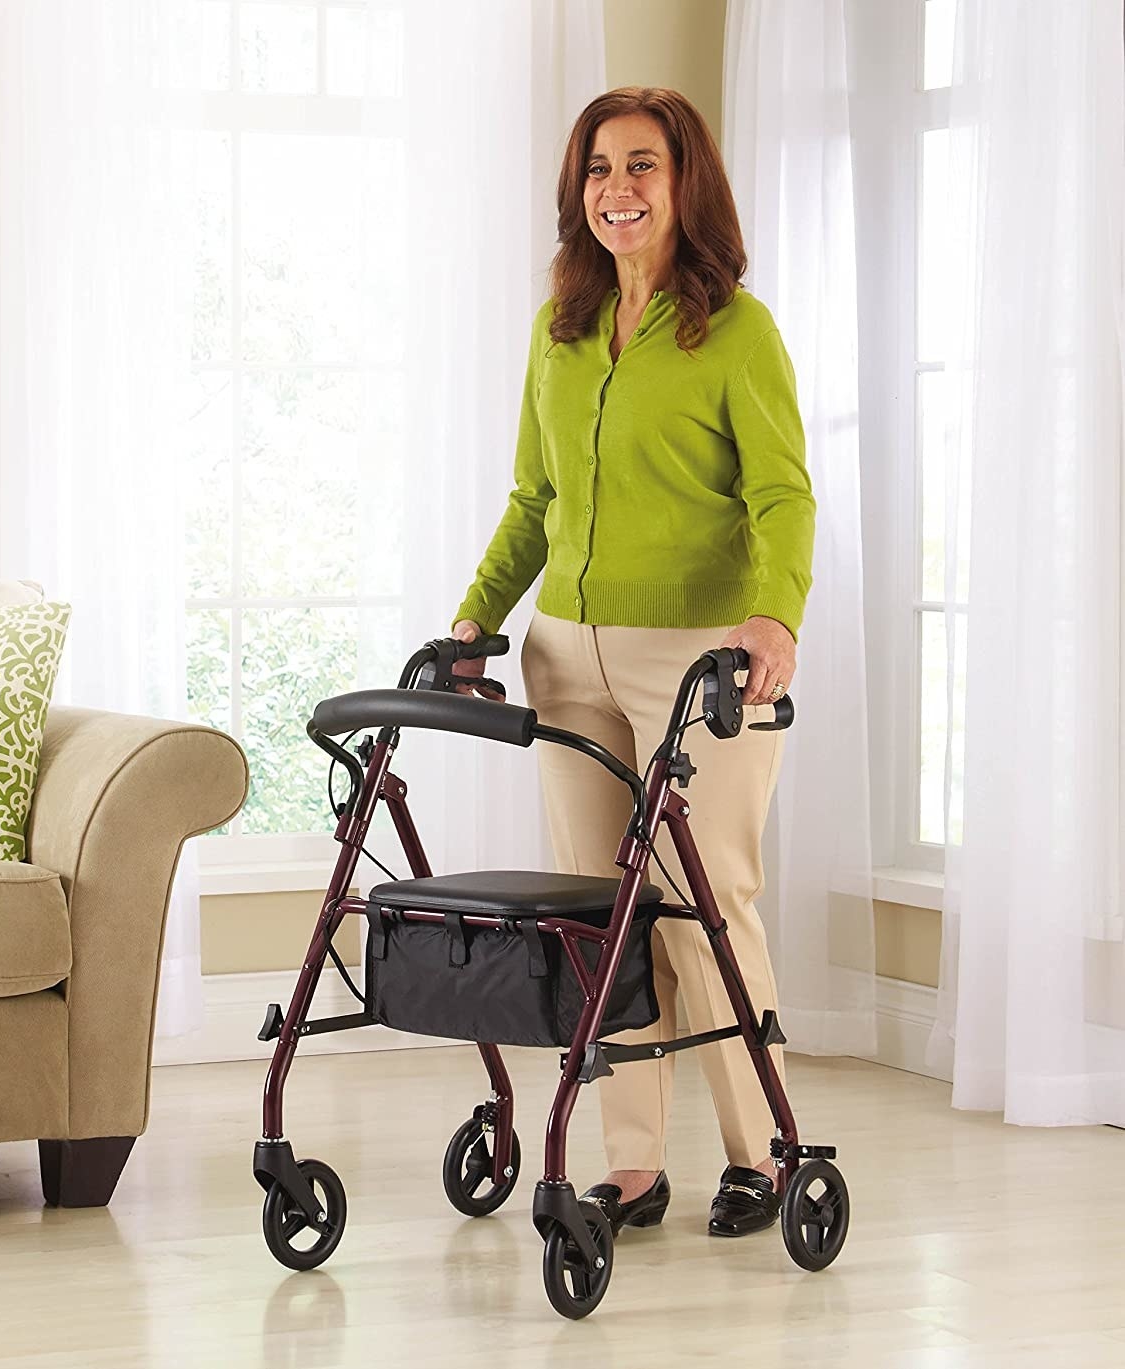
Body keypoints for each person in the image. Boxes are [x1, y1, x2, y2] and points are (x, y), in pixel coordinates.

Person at [449, 86, 814, 1239]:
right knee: (601, 914)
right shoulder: (560, 331)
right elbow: (530, 501)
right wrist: (473, 623)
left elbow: (781, 496)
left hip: (698, 662)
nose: (619, 187)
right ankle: (634, 1166)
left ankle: (763, 1153)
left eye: (643, 165)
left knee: (708, 904)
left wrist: (774, 620)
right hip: (568, 655)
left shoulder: (736, 331)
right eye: (600, 167)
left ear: (684, 182)